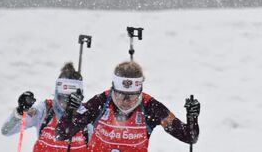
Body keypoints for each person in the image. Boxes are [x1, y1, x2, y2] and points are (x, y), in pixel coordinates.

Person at [55, 60, 200, 150]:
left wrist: (192, 117)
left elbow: (189, 137)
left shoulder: (151, 107)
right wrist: (71, 110)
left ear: (140, 92)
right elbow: (62, 134)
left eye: (131, 96)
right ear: (113, 89)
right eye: (120, 95)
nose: (125, 101)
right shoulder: (100, 102)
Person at [0, 62, 90, 151]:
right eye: (62, 98)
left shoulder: (87, 116)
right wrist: (20, 112)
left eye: (71, 99)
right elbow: (6, 131)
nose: (65, 104)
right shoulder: (45, 110)